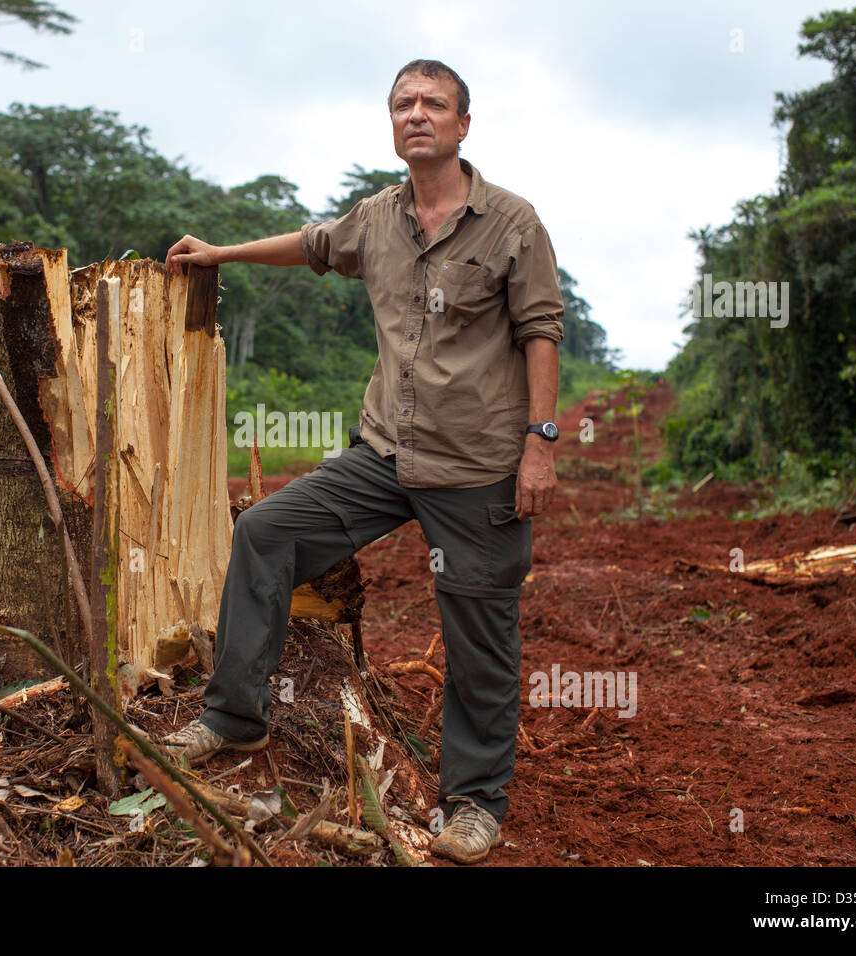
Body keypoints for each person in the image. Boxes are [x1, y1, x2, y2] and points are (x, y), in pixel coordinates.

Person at [159, 58, 564, 864]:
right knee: (269, 531)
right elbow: (310, 244)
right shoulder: (377, 218)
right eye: (404, 104)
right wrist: (219, 255)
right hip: (384, 454)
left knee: (479, 637)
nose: (419, 114)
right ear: (392, 123)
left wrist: (539, 448)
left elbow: (542, 332)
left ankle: (475, 806)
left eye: (435, 104)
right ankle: (236, 717)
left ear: (463, 125)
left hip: (479, 468)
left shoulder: (512, 222)